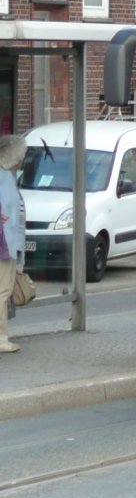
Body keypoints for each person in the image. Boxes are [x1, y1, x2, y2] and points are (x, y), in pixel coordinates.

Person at [0, 134, 27, 353]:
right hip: (4, 246)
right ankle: (1, 338)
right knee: (2, 291)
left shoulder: (7, 177)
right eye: (21, 157)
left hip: (6, 244)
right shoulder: (4, 179)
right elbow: (11, 215)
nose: (21, 162)